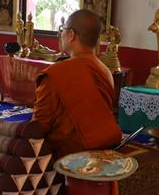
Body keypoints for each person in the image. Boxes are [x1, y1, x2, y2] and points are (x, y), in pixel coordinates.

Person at [32, 9, 122, 158]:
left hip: (69, 156)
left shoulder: (56, 73)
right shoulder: (106, 71)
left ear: (71, 34)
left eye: (62, 30)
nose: (61, 34)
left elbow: (39, 126)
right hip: (104, 148)